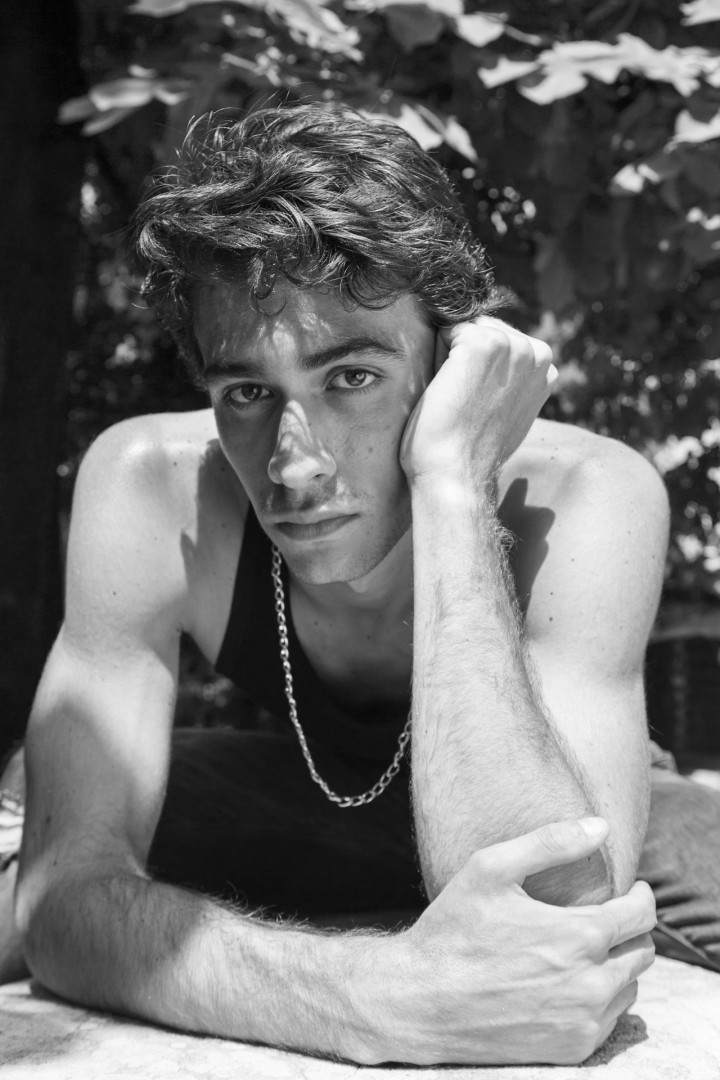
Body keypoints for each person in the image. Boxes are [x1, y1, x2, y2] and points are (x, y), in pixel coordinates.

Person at [5, 101, 717, 1065]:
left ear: (450, 362)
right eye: (247, 393)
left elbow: (551, 902)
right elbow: (61, 903)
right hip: (302, 798)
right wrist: (374, 999)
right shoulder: (152, 488)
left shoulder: (588, 493)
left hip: (578, 793)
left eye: (351, 378)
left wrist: (454, 484)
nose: (294, 465)